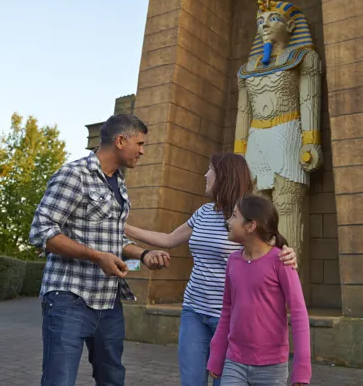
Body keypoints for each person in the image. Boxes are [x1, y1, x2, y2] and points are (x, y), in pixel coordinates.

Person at [125, 152, 298, 386]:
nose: (205, 175)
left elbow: (273, 247)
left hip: (228, 319)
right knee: (191, 381)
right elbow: (167, 239)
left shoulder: (246, 217)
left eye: (210, 170)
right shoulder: (204, 212)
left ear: (224, 177)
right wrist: (124, 228)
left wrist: (289, 252)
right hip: (194, 311)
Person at [29, 114, 170, 386]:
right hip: (68, 297)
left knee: (112, 379)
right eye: (139, 143)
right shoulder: (74, 175)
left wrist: (143, 254)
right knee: (60, 380)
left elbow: (112, 240)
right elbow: (42, 232)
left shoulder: (119, 184)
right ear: (120, 141)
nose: (142, 150)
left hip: (108, 301)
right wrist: (96, 257)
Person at [207, 195, 311, 386]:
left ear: (250, 226)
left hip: (272, 367)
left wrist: (302, 367)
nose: (228, 221)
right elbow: (227, 311)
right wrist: (216, 354)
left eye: (234, 216)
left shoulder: (281, 261)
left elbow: (298, 313)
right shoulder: (233, 261)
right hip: (235, 361)